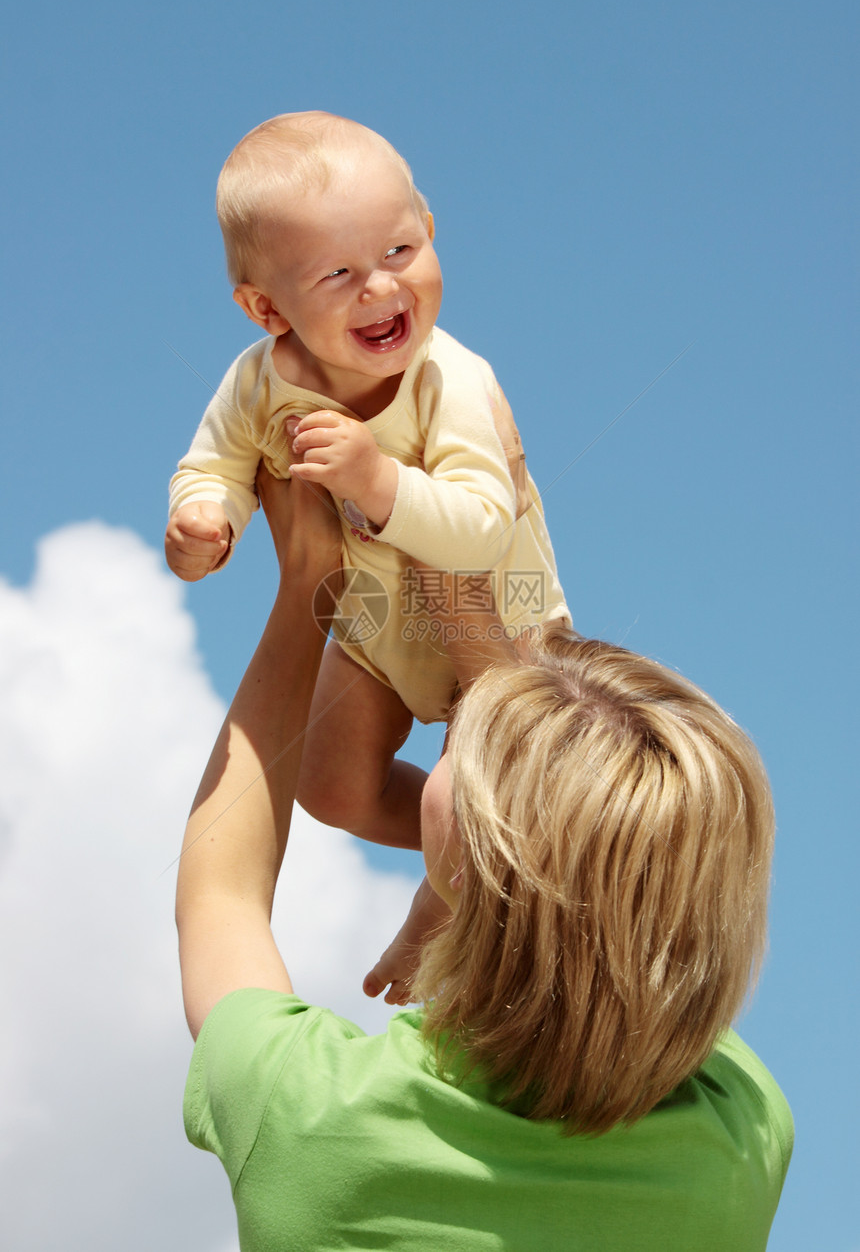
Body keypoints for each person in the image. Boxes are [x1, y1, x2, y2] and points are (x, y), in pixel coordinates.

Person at [177, 466, 793, 1251]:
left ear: (470, 864)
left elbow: (219, 896)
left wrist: (310, 586)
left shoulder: (309, 1114)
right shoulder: (738, 1142)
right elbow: (636, 919)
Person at [164, 110, 569, 866]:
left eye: (399, 249)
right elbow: (216, 461)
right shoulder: (260, 382)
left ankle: (450, 893)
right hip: (379, 629)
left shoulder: (449, 378)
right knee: (331, 790)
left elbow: (482, 527)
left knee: (490, 789)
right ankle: (456, 868)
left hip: (503, 627)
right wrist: (203, 520)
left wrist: (376, 478)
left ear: (431, 228)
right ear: (268, 309)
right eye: (339, 274)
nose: (380, 286)